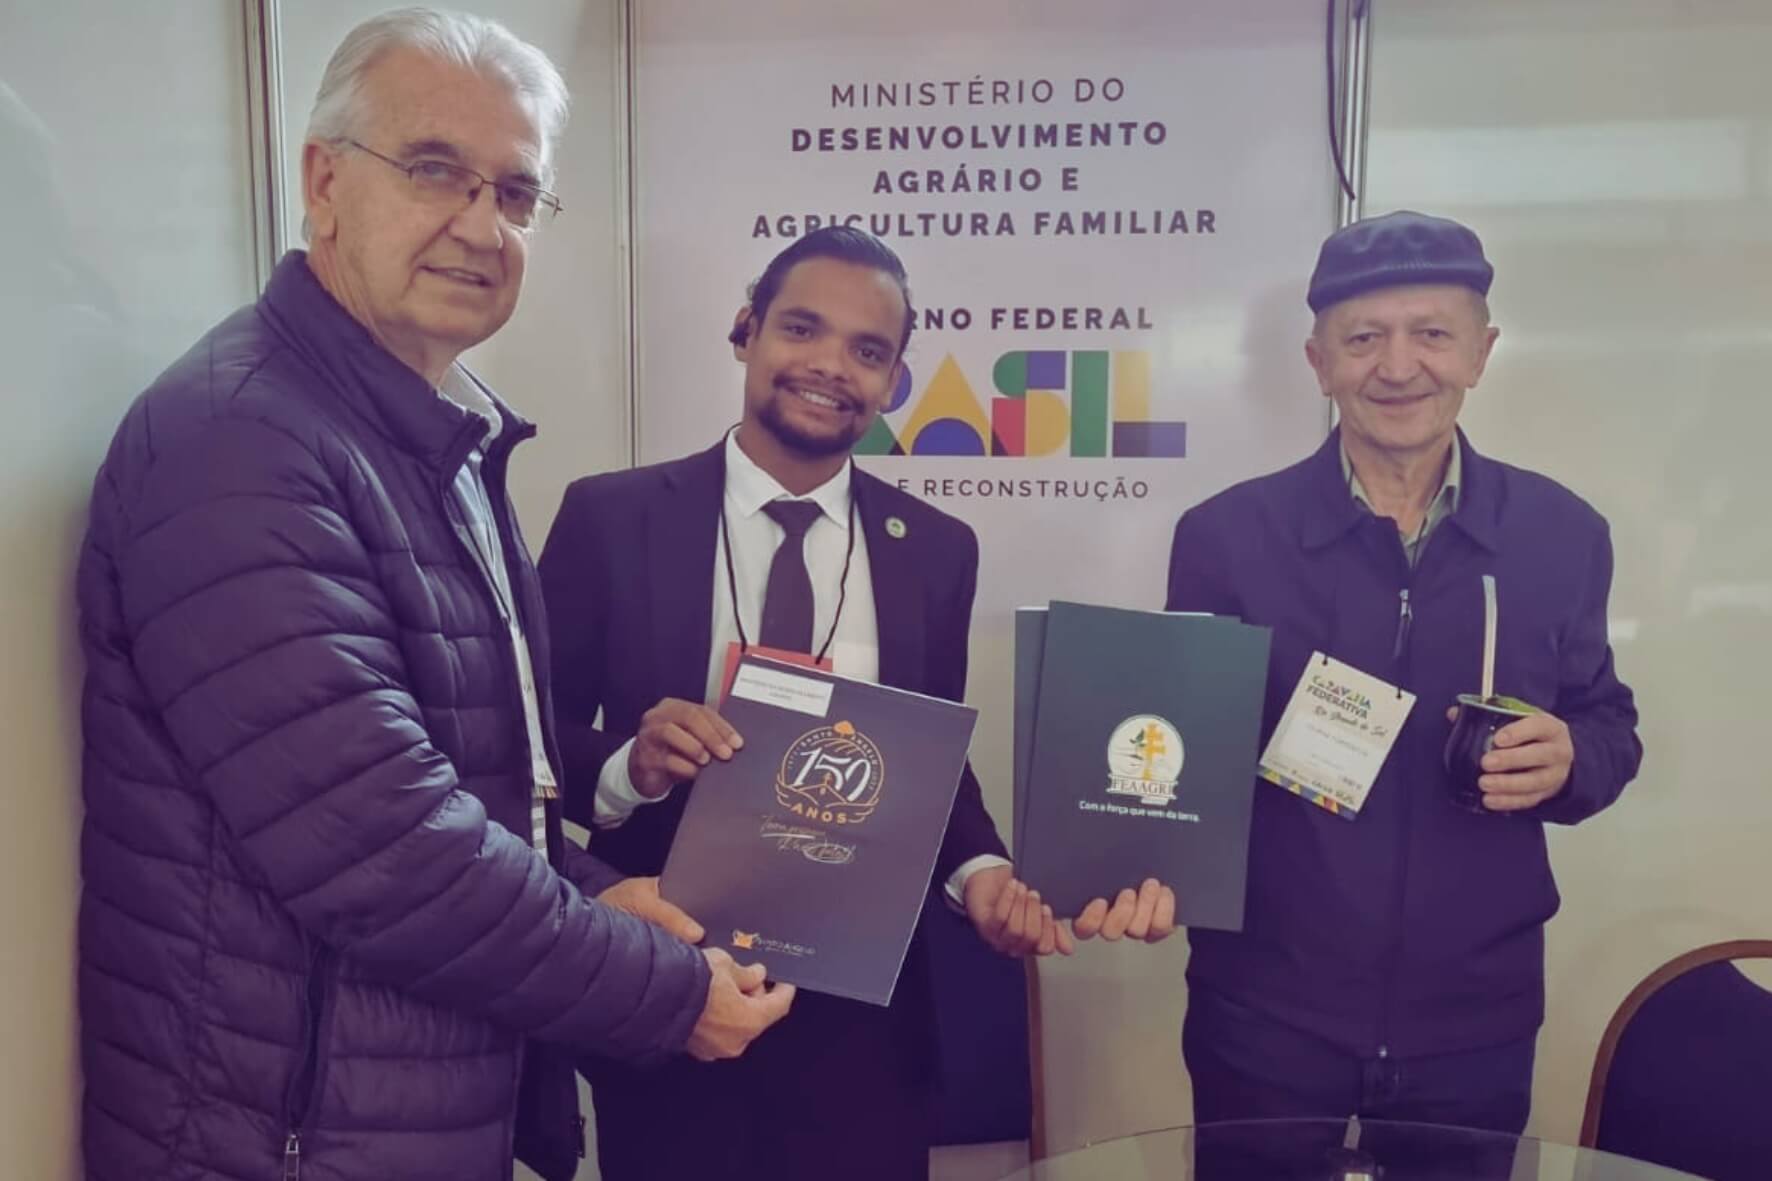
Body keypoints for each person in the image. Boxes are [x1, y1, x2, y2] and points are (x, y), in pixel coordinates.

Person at [74, 11, 790, 1181]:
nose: (479, 225)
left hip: (388, 1112)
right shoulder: (239, 445)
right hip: (278, 1139)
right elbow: (383, 845)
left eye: (515, 192)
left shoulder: (425, 436)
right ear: (323, 183)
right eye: (432, 170)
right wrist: (662, 989)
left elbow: (480, 792)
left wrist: (603, 894)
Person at [539, 225, 1175, 1179]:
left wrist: (982, 874)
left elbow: (930, 766)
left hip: (864, 1029)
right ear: (747, 329)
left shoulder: (936, 548)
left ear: (894, 381)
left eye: (868, 351)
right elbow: (526, 746)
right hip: (676, 990)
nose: (831, 366)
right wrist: (632, 764)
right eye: (802, 328)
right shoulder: (611, 517)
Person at [1166, 210, 1642, 1133]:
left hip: (1477, 1020)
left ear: (1481, 352)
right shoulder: (1225, 537)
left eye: (1431, 333)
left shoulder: (1563, 535)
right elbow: (1181, 756)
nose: (1397, 366)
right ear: (1319, 362)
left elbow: (1609, 724)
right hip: (1265, 1010)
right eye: (1363, 339)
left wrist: (1573, 759)